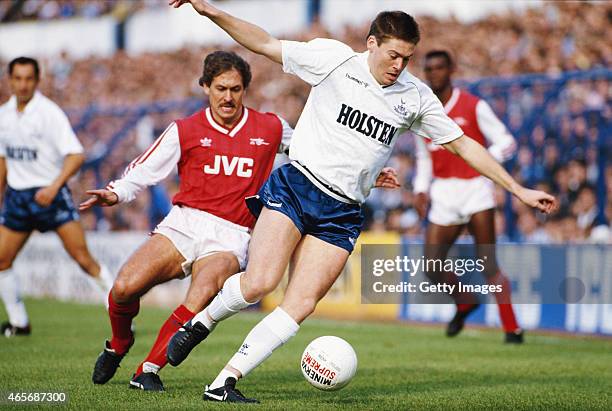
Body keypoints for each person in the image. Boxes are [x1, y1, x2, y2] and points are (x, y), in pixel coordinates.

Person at [166, 0, 556, 403]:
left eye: (407, 58)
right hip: (297, 186)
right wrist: (209, 10)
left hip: (343, 211)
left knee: (300, 304)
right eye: (393, 55)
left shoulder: (416, 97)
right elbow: (264, 42)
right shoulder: (333, 59)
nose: (399, 65)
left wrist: (517, 189)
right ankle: (202, 322)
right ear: (371, 43)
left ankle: (224, 381)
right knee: (260, 283)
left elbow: (462, 144)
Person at [81, 51, 293, 391]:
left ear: (245, 90)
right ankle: (119, 343)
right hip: (185, 223)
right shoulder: (185, 129)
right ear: (205, 86)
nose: (228, 97)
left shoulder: (271, 127)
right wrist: (117, 193)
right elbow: (145, 169)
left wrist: (365, 176)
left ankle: (148, 370)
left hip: (232, 235)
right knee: (123, 288)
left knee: (203, 293)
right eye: (221, 88)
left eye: (236, 89)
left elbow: (313, 156)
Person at [413, 50, 522, 342]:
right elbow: (424, 156)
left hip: (476, 190)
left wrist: (482, 159)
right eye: (429, 69)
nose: (434, 73)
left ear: (452, 70)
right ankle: (465, 301)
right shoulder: (421, 112)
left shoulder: (474, 106)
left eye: (439, 68)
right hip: (444, 193)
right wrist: (420, 188)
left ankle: (512, 328)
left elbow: (507, 142)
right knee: (431, 266)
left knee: (488, 264)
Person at [0, 57, 113, 337]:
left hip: (51, 195)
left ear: (37, 81)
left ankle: (120, 314)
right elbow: (3, 160)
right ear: (10, 80)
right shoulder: (3, 115)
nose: (23, 84)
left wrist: (53, 187)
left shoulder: (49, 113)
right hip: (18, 197)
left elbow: (76, 155)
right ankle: (18, 322)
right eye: (18, 78)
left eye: (28, 79)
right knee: (1, 260)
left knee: (84, 259)